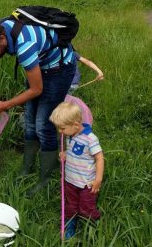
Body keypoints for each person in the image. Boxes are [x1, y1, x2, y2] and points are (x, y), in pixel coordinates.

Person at [0, 18, 77, 195]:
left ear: (2, 39)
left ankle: (45, 179)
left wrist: (5, 105)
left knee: (44, 125)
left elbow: (37, 89)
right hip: (40, 66)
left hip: (60, 69)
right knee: (30, 122)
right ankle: (26, 169)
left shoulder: (25, 45)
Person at [49, 102, 104, 239]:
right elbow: (75, 152)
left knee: (86, 209)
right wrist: (66, 154)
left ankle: (93, 225)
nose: (60, 132)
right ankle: (70, 226)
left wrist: (98, 180)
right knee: (71, 206)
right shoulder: (70, 135)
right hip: (70, 182)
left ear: (76, 124)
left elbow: (99, 158)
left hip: (86, 184)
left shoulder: (90, 139)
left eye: (62, 128)